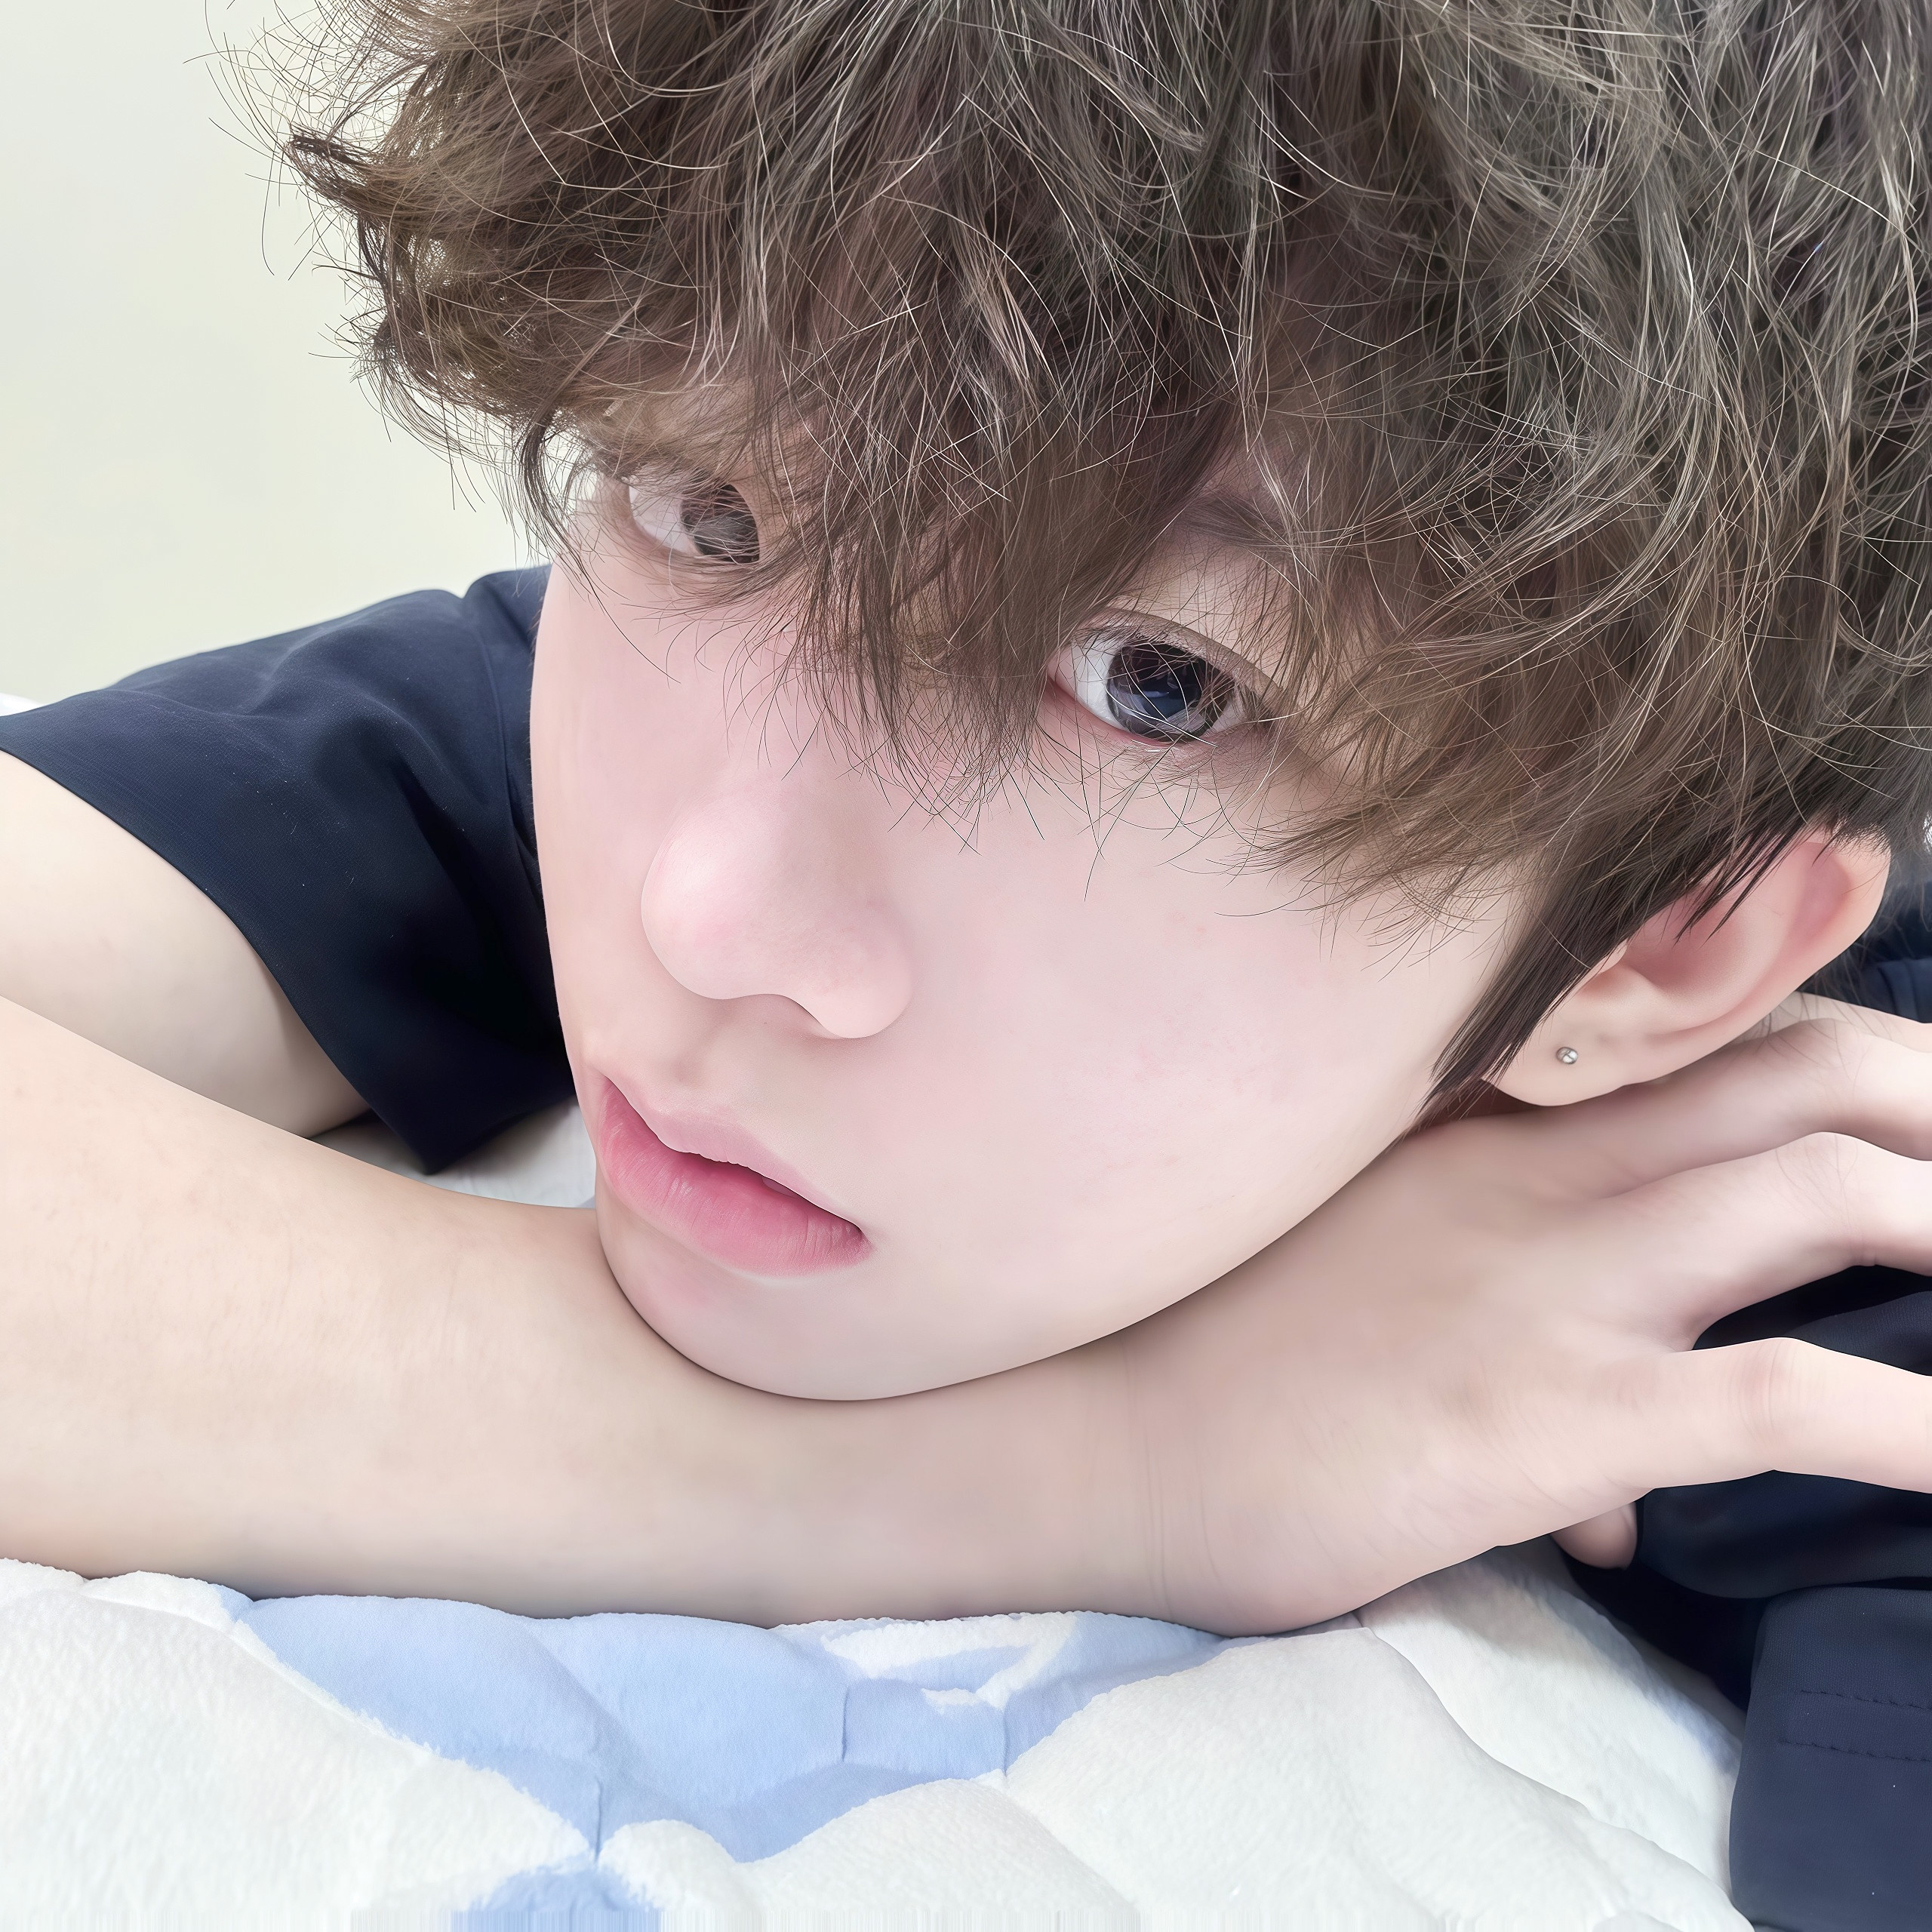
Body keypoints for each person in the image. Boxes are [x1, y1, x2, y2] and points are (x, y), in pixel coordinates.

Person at [2, 1, 1931, 1919]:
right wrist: (1116, 1462)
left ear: (1653, 948)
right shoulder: (710, 661)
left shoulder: (1839, 1247)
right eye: (704, 499)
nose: (708, 914)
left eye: (1156, 686)